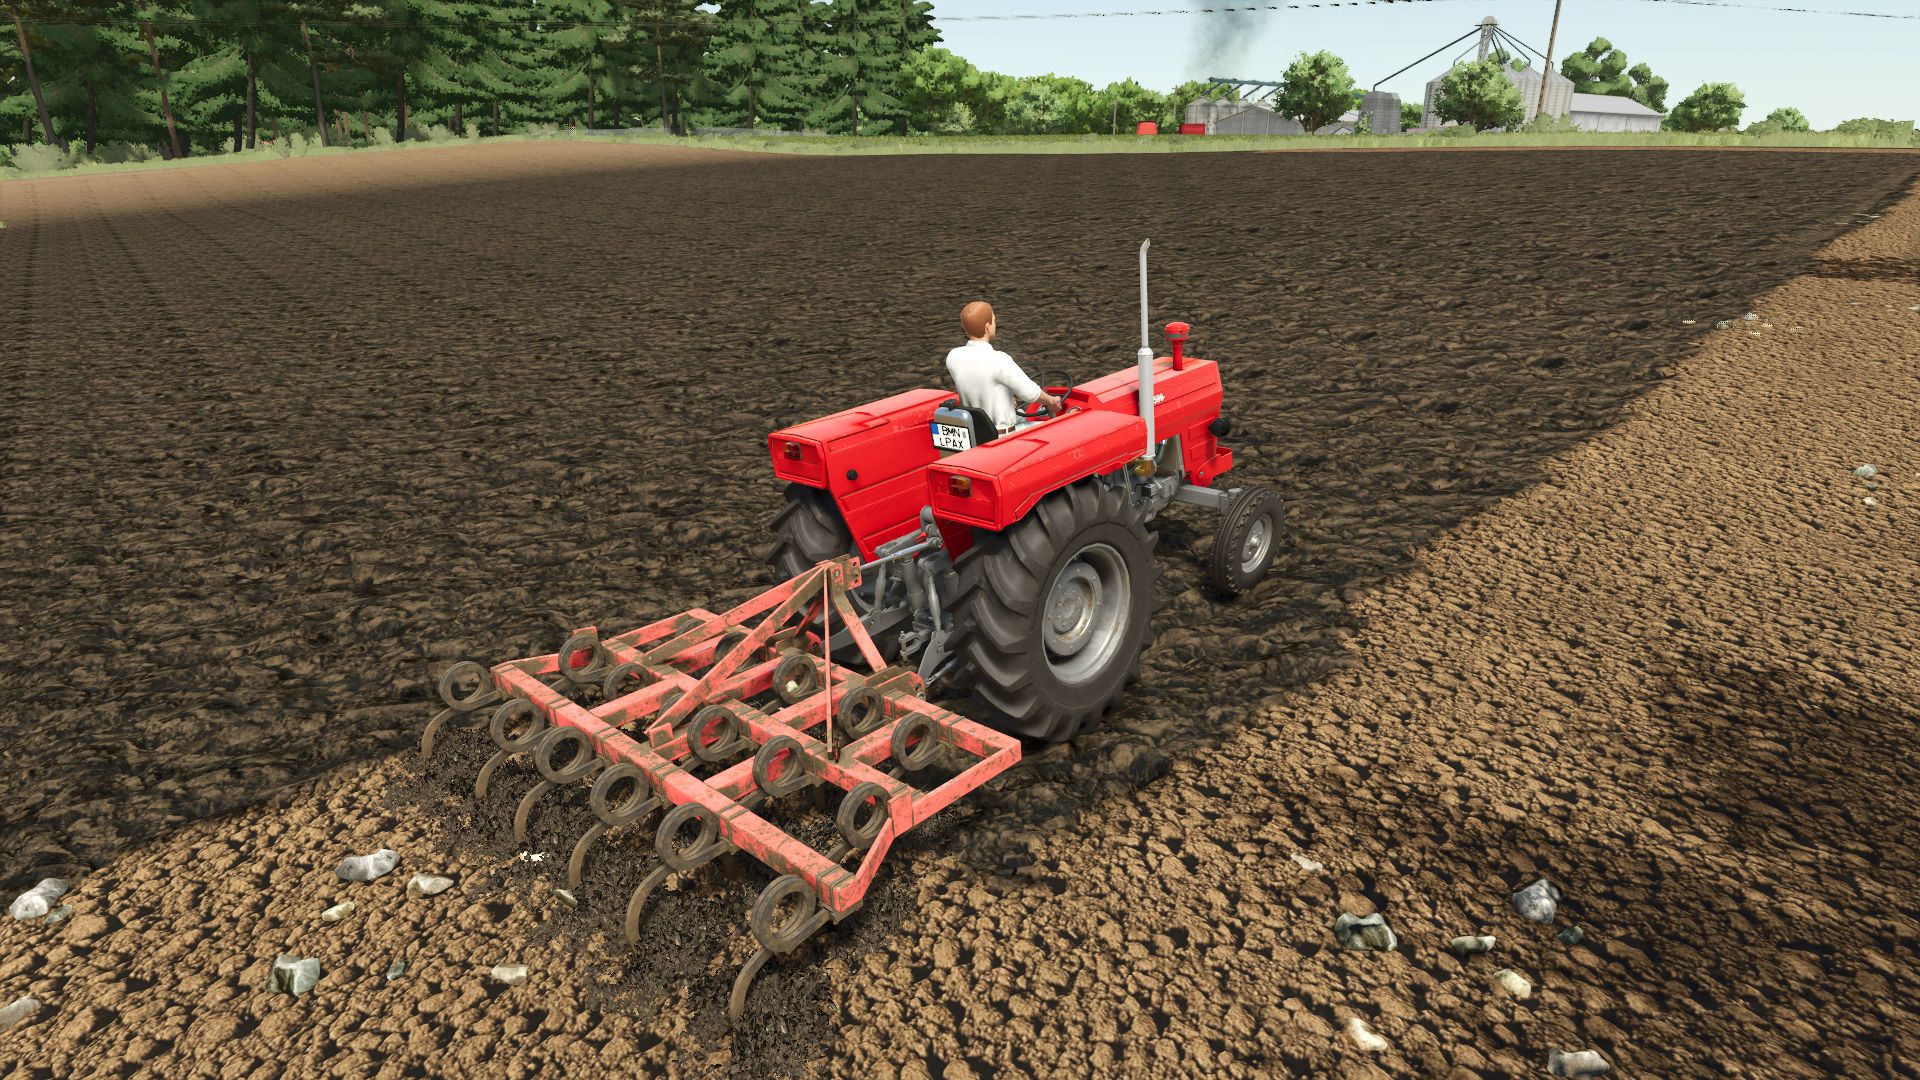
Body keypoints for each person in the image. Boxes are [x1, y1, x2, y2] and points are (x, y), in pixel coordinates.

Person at [945, 301, 1063, 435]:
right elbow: (1031, 394)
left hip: (977, 432)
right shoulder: (999, 359)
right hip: (1002, 435)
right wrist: (1051, 401)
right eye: (993, 321)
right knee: (1055, 429)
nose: (995, 325)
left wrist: (1006, 399)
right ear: (987, 327)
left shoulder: (953, 357)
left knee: (1021, 413)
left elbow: (979, 382)